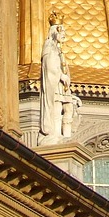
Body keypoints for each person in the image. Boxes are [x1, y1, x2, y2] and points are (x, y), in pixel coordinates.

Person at [39, 11, 69, 142]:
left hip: (61, 86)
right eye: (61, 32)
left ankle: (62, 136)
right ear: (54, 32)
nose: (64, 35)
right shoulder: (49, 48)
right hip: (55, 84)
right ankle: (54, 133)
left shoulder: (58, 49)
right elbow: (50, 68)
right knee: (56, 108)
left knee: (65, 108)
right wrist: (61, 76)